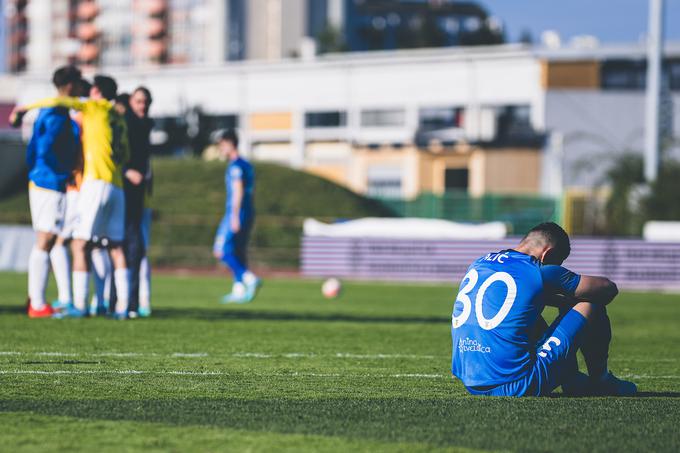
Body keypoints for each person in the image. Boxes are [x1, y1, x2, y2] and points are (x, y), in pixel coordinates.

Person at [451, 222, 637, 397]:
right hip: (519, 383)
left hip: (472, 381)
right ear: (547, 254)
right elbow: (607, 289)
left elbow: (519, 299)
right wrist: (569, 297)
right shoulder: (538, 270)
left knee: (527, 312)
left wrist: (560, 302)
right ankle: (601, 381)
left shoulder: (480, 263)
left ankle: (570, 376)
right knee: (591, 304)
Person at [10, 74, 131, 319]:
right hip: (117, 185)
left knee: (79, 243)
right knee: (112, 246)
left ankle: (76, 304)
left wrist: (26, 107)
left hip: (94, 182)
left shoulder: (94, 108)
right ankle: (118, 307)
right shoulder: (119, 117)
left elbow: (60, 102)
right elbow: (126, 155)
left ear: (96, 92)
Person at [18, 65, 81, 318]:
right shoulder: (55, 112)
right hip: (48, 180)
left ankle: (36, 298)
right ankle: (36, 303)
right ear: (70, 86)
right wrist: (59, 170)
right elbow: (43, 147)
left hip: (49, 178)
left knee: (51, 238)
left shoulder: (57, 110)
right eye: (78, 84)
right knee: (45, 239)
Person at [212, 129, 260, 303]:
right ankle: (239, 290)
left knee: (220, 250)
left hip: (236, 212)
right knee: (238, 251)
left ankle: (249, 278)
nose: (220, 150)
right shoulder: (248, 165)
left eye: (221, 146)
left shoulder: (236, 166)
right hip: (248, 211)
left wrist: (234, 216)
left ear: (229, 144)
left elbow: (238, 191)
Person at [122, 87, 153, 318]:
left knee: (135, 248)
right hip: (123, 192)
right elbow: (115, 154)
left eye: (146, 102)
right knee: (128, 247)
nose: (143, 105)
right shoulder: (127, 124)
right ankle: (125, 303)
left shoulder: (144, 125)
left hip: (139, 195)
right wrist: (127, 171)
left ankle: (130, 302)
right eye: (139, 101)